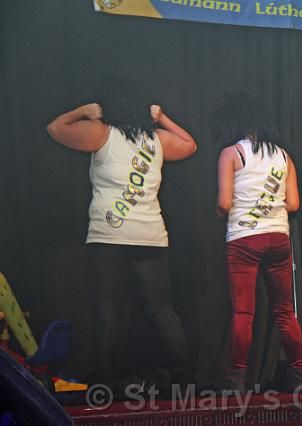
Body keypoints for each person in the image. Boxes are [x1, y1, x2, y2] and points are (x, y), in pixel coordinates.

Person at [46, 77, 197, 393]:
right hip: (150, 237)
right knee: (161, 310)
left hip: (108, 239)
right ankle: (184, 379)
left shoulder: (101, 133)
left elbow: (56, 128)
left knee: (108, 310)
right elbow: (189, 144)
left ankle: (105, 381)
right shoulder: (156, 140)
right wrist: (162, 117)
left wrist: (84, 110)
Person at [216, 92, 302, 393]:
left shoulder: (232, 153)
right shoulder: (284, 156)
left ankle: (237, 381)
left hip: (244, 239)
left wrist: (221, 211)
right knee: (285, 312)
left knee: (244, 313)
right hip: (278, 237)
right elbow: (293, 204)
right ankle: (301, 377)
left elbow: (224, 203)